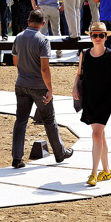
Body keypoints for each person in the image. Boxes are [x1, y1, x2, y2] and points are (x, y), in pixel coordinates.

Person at [11, 9, 74, 169]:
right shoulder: (43, 40)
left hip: (22, 83)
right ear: (43, 24)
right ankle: (60, 153)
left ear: (28, 21)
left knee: (21, 121)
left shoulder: (18, 37)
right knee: (49, 120)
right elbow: (45, 69)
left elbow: (15, 61)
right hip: (39, 86)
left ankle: (17, 158)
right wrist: (50, 90)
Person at [72, 22, 111, 186]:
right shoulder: (84, 54)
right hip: (89, 98)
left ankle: (94, 173)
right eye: (94, 35)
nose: (97, 38)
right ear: (90, 36)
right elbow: (79, 74)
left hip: (105, 100)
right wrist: (74, 87)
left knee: (96, 134)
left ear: (106, 36)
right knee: (100, 135)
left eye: (101, 35)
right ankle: (106, 170)